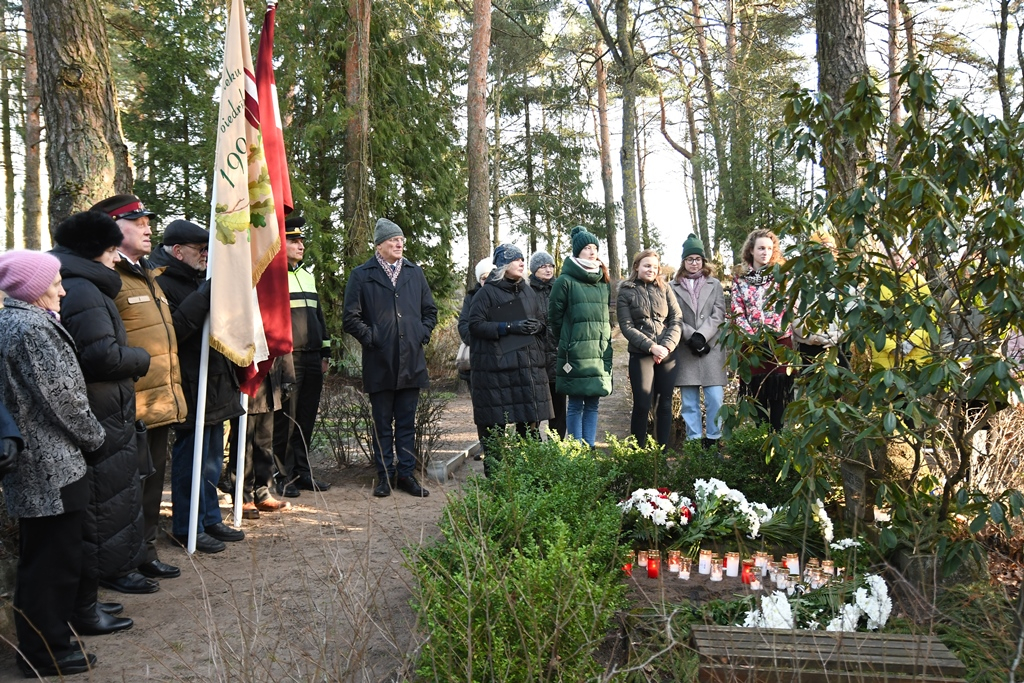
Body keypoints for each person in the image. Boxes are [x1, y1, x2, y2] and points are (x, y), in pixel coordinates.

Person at [0, 250, 106, 677]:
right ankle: (46, 652)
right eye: (55, 282)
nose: (62, 289)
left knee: (44, 557)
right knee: (53, 562)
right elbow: (62, 399)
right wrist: (96, 438)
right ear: (31, 288)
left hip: (37, 465)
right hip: (52, 464)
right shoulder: (32, 328)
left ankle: (43, 643)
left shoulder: (13, 322)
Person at [51, 211, 153, 634]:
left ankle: (88, 601)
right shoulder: (86, 291)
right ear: (97, 251)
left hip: (104, 410)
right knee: (96, 511)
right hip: (98, 413)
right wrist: (141, 359)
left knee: (101, 508)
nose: (117, 260)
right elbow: (101, 357)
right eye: (113, 251)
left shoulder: (81, 284)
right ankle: (83, 608)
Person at [90, 193, 186, 583]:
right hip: (127, 405)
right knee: (123, 491)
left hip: (158, 401)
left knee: (149, 486)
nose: (149, 229)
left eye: (148, 222)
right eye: (139, 223)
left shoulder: (147, 272)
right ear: (114, 229)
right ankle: (122, 563)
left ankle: (145, 551)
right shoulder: (109, 279)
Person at [149, 220, 245, 553]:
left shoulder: (196, 278)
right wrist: (205, 295)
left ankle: (209, 517)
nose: (206, 255)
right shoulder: (159, 281)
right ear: (177, 251)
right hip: (187, 383)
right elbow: (173, 331)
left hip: (214, 380)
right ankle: (185, 524)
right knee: (190, 458)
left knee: (212, 459)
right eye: (200, 250)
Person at [342, 218, 437, 498]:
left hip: (411, 362)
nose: (399, 244)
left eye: (402, 241)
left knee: (406, 423)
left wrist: (420, 333)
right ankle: (384, 476)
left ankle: (406, 475)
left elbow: (430, 312)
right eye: (394, 240)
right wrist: (372, 338)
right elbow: (350, 318)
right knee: (382, 423)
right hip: (379, 362)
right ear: (379, 245)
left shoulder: (414, 273)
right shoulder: (362, 275)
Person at [468, 244, 553, 464]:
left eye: (522, 259)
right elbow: (475, 326)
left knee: (530, 431)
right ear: (504, 264)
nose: (522, 263)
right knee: (495, 432)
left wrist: (538, 327)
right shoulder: (486, 293)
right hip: (498, 374)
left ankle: (532, 480)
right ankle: (497, 483)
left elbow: (542, 321)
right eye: (516, 259)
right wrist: (508, 327)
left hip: (527, 373)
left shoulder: (527, 290)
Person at [273, 216, 332, 498]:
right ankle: (282, 475)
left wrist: (325, 352)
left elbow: (318, 316)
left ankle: (302, 472)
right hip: (288, 357)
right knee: (286, 418)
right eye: (294, 240)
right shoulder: (273, 276)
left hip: (311, 358)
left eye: (301, 241)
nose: (301, 245)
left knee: (306, 417)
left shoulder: (308, 275)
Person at [548, 225, 613, 447]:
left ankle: (590, 446)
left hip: (598, 351)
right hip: (574, 352)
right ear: (577, 251)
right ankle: (577, 449)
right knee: (575, 403)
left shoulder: (603, 280)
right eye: (586, 247)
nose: (592, 251)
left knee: (593, 403)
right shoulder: (565, 281)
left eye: (595, 247)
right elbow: (554, 318)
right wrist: (568, 340)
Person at [617, 248, 682, 446]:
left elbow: (676, 318)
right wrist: (652, 347)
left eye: (654, 267)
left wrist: (667, 346)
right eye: (647, 266)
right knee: (642, 405)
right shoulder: (626, 291)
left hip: (667, 354)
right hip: (641, 354)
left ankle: (662, 452)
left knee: (664, 404)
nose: (651, 270)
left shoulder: (665, 288)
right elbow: (626, 327)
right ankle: (638, 451)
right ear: (637, 266)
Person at [731, 228, 793, 432]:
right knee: (756, 394)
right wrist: (752, 334)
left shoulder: (782, 275)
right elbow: (737, 310)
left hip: (779, 342)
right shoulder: (740, 277)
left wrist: (774, 332)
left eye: (769, 248)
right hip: (751, 344)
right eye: (760, 248)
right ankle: (760, 438)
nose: (765, 252)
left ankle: (778, 437)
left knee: (778, 393)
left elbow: (788, 307)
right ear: (751, 250)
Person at [670, 234, 727, 449]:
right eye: (689, 259)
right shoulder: (672, 286)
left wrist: (701, 336)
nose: (694, 263)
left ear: (703, 261)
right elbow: (673, 315)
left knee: (715, 398)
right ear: (683, 262)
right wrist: (691, 336)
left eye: (697, 259)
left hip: (711, 347)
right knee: (690, 402)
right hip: (687, 349)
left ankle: (713, 438)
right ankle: (694, 442)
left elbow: (719, 313)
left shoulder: (715, 284)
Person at [225, 355, 294, 518]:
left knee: (264, 442)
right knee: (243, 443)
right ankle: (243, 496)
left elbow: (282, 339)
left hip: (269, 379)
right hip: (245, 377)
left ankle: (262, 492)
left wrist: (287, 375)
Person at [457, 257, 493, 459]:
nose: (487, 280)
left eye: (490, 275)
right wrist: (479, 340)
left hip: (499, 360)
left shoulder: (502, 294)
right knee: (480, 406)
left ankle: (499, 444)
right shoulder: (471, 298)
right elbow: (463, 325)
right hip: (477, 360)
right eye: (483, 277)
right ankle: (485, 444)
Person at [528, 251, 567, 439]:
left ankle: (557, 445)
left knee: (559, 405)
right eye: (543, 266)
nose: (548, 269)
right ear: (534, 269)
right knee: (535, 406)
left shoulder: (560, 287)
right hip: (536, 355)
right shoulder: (526, 290)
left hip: (558, 353)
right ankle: (533, 447)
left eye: (551, 265)